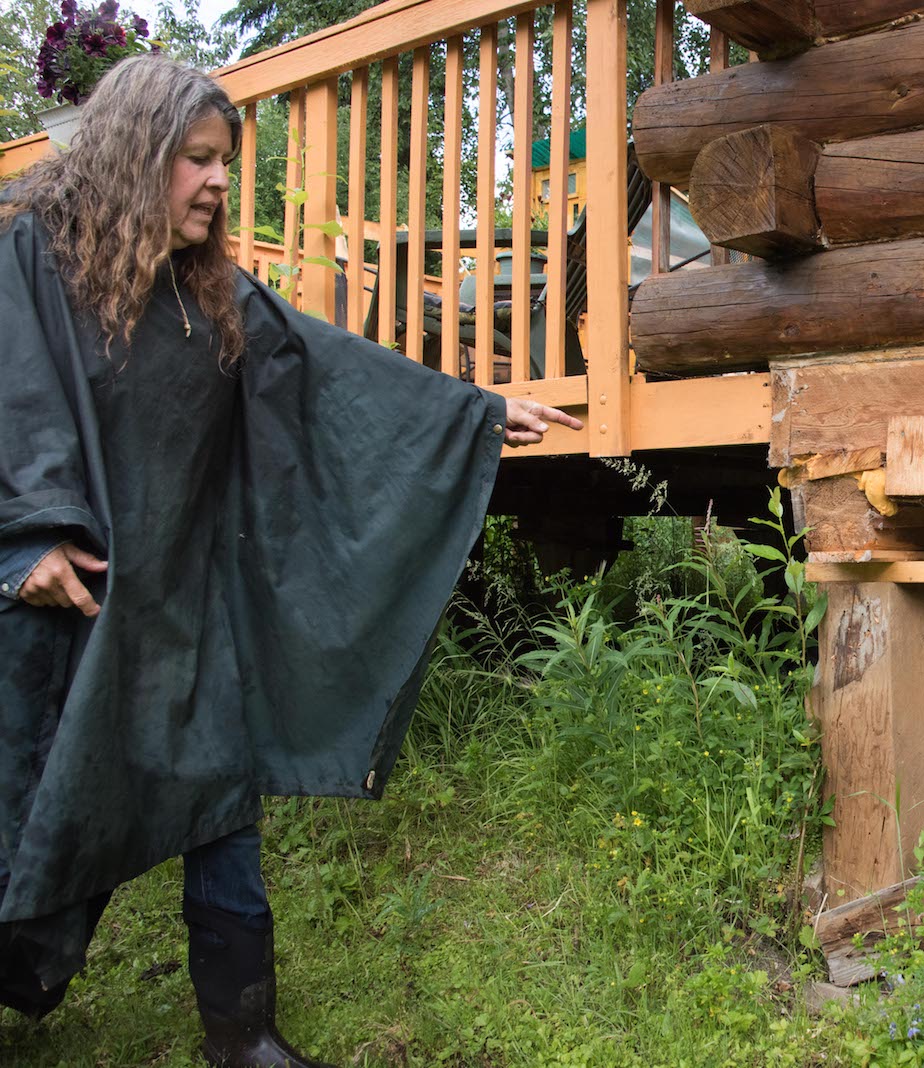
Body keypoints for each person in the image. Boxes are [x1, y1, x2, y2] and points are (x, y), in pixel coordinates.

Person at [0, 56, 582, 1066]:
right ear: (139, 153)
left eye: (223, 161)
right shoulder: (35, 259)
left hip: (184, 606)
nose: (219, 182)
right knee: (41, 813)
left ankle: (244, 1033)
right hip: (67, 605)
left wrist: (472, 412)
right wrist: (29, 533)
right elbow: (15, 395)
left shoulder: (209, 292)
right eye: (196, 159)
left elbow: (321, 367)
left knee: (221, 800)